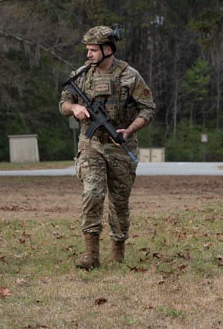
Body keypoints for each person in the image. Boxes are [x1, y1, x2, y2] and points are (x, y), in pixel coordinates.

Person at [59, 25, 156, 269]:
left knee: (119, 202)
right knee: (93, 194)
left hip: (121, 147)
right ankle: (91, 256)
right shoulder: (81, 75)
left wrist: (130, 129)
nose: (89, 54)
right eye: (88, 50)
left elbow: (148, 108)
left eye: (93, 50)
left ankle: (118, 254)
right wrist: (75, 109)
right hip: (91, 144)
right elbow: (64, 102)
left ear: (108, 49)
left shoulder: (130, 76)